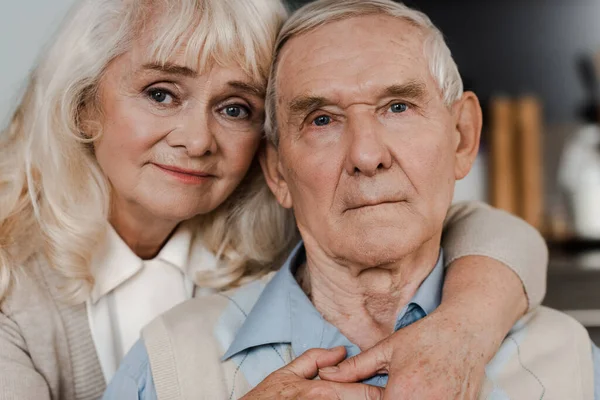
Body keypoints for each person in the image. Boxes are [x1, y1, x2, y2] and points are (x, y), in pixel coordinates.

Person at [1, 0, 548, 399]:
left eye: (235, 107)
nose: (196, 140)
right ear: (83, 106)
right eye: (161, 93)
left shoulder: (300, 222)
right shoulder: (11, 293)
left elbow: (490, 232)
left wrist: (460, 331)